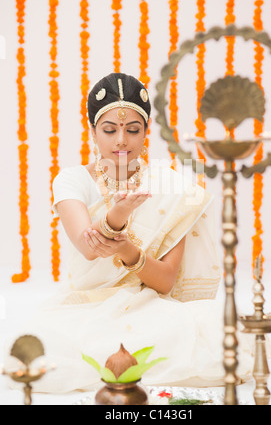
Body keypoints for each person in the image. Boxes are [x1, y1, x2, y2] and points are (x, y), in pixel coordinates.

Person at [5, 73, 252, 394]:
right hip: (87, 305)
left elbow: (164, 281)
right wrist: (117, 214)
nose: (121, 140)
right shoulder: (72, 180)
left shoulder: (171, 188)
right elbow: (88, 247)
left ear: (146, 133)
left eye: (133, 130)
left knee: (216, 332)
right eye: (109, 130)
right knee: (48, 346)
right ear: (93, 132)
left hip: (152, 305)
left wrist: (126, 250)